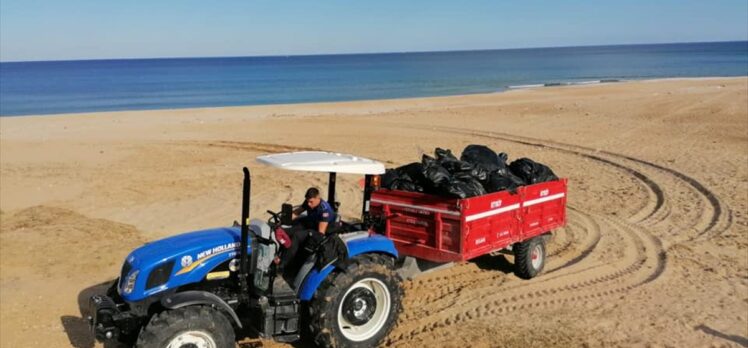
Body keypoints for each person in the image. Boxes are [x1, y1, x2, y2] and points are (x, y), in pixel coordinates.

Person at [277, 187, 337, 270]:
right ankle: (279, 253)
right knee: (286, 230)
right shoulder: (309, 202)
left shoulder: (324, 211)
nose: (308, 204)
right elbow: (297, 212)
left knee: (297, 236)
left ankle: (283, 264)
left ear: (318, 198)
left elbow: (321, 233)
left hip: (318, 231)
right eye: (308, 201)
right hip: (310, 223)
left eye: (311, 202)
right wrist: (283, 221)